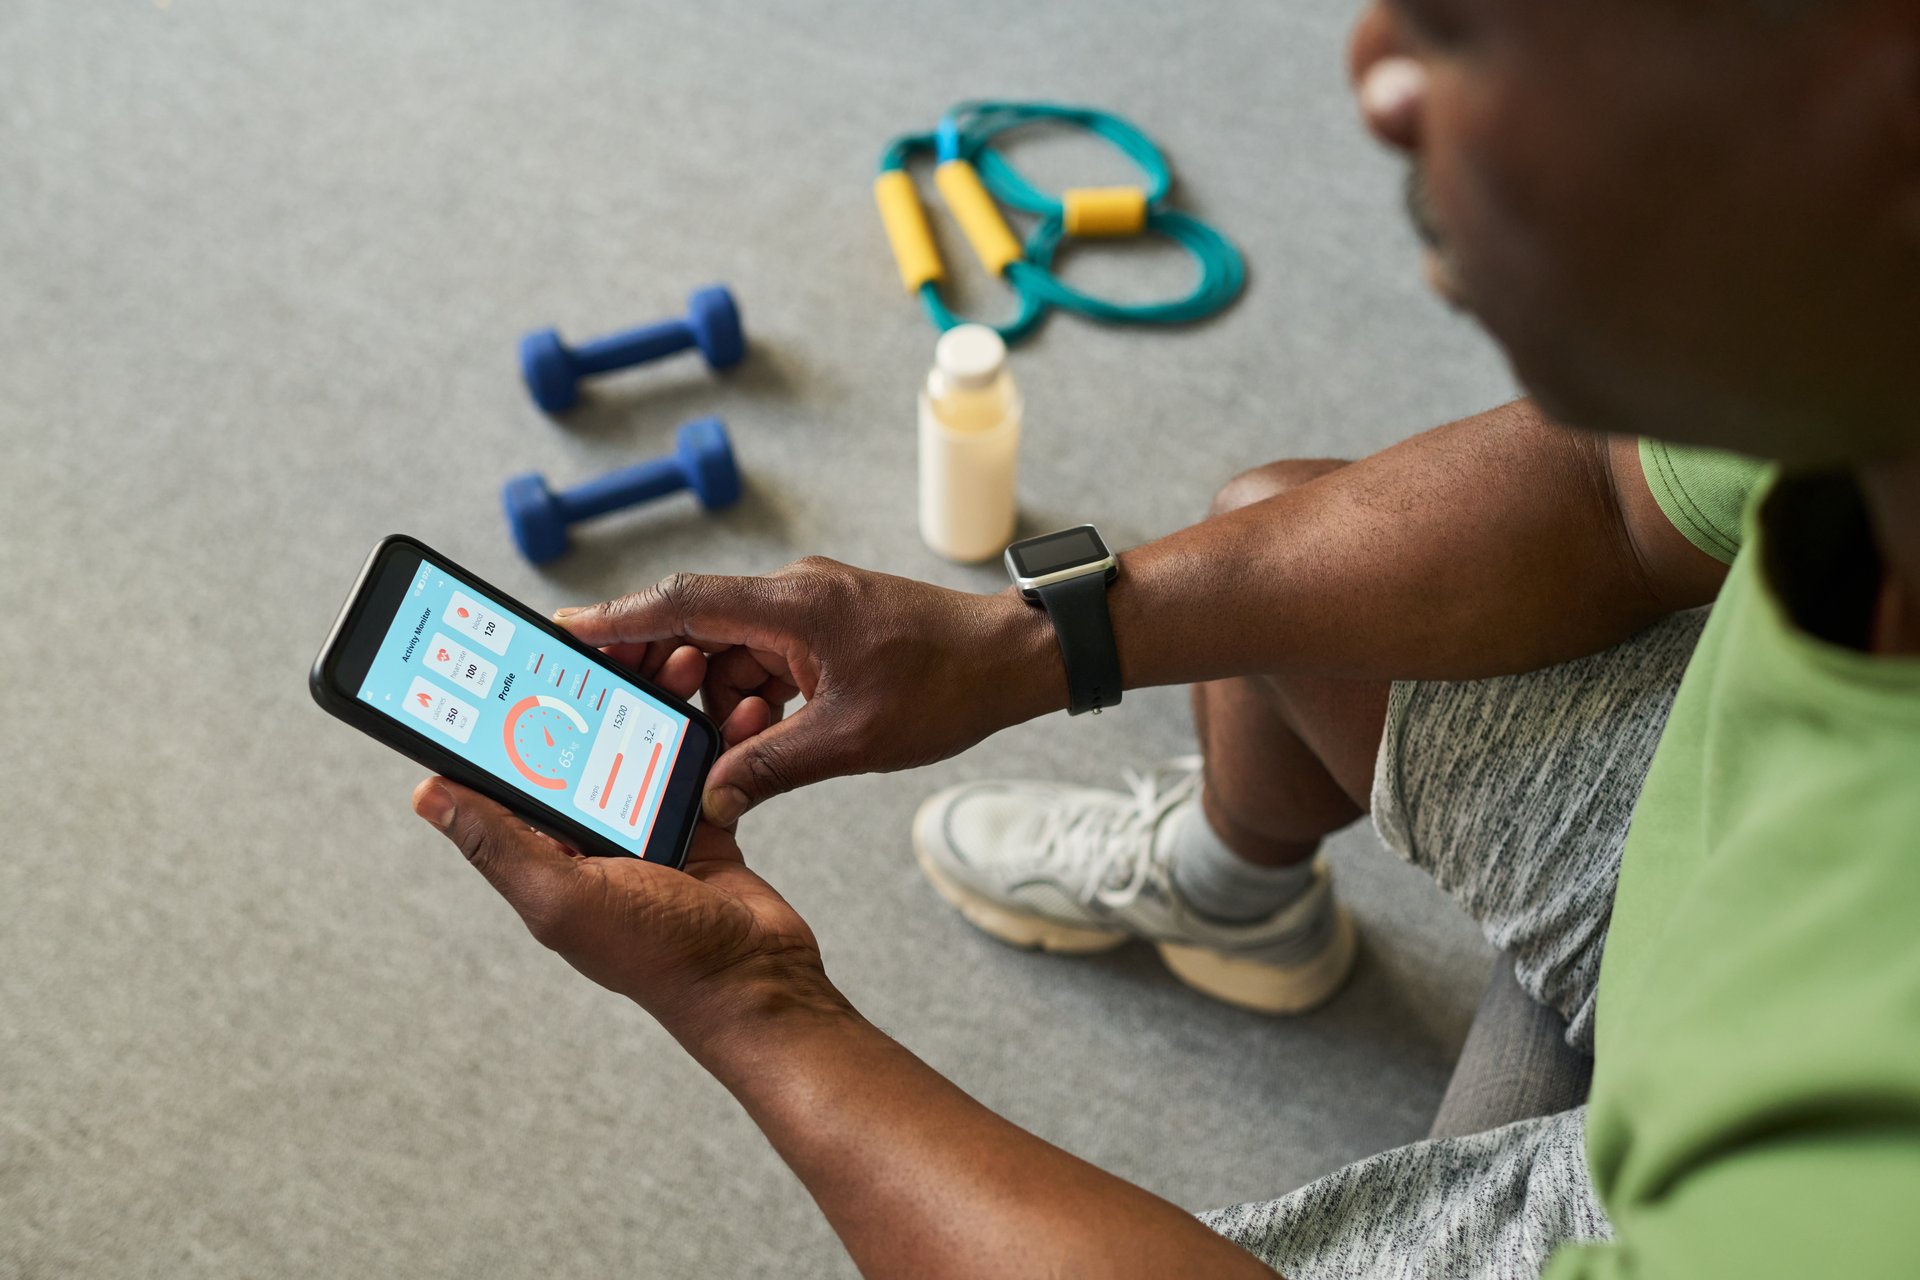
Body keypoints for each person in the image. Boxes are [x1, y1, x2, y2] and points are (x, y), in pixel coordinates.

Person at [407, 0, 1920, 1272]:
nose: (1375, 71)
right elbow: (1605, 494)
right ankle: (1235, 889)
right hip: (1735, 890)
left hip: (1730, 1179)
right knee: (1274, 535)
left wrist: (750, 1003)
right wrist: (1021, 642)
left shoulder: (1846, 1186)